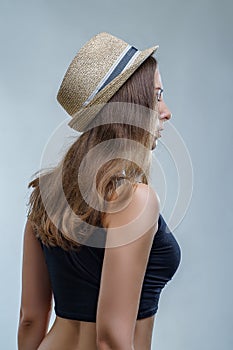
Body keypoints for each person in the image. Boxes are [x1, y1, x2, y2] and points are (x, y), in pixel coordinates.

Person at [17, 32, 181, 350]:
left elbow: (30, 319)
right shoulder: (135, 200)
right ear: (130, 106)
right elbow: (110, 340)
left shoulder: (46, 194)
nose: (166, 111)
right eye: (157, 95)